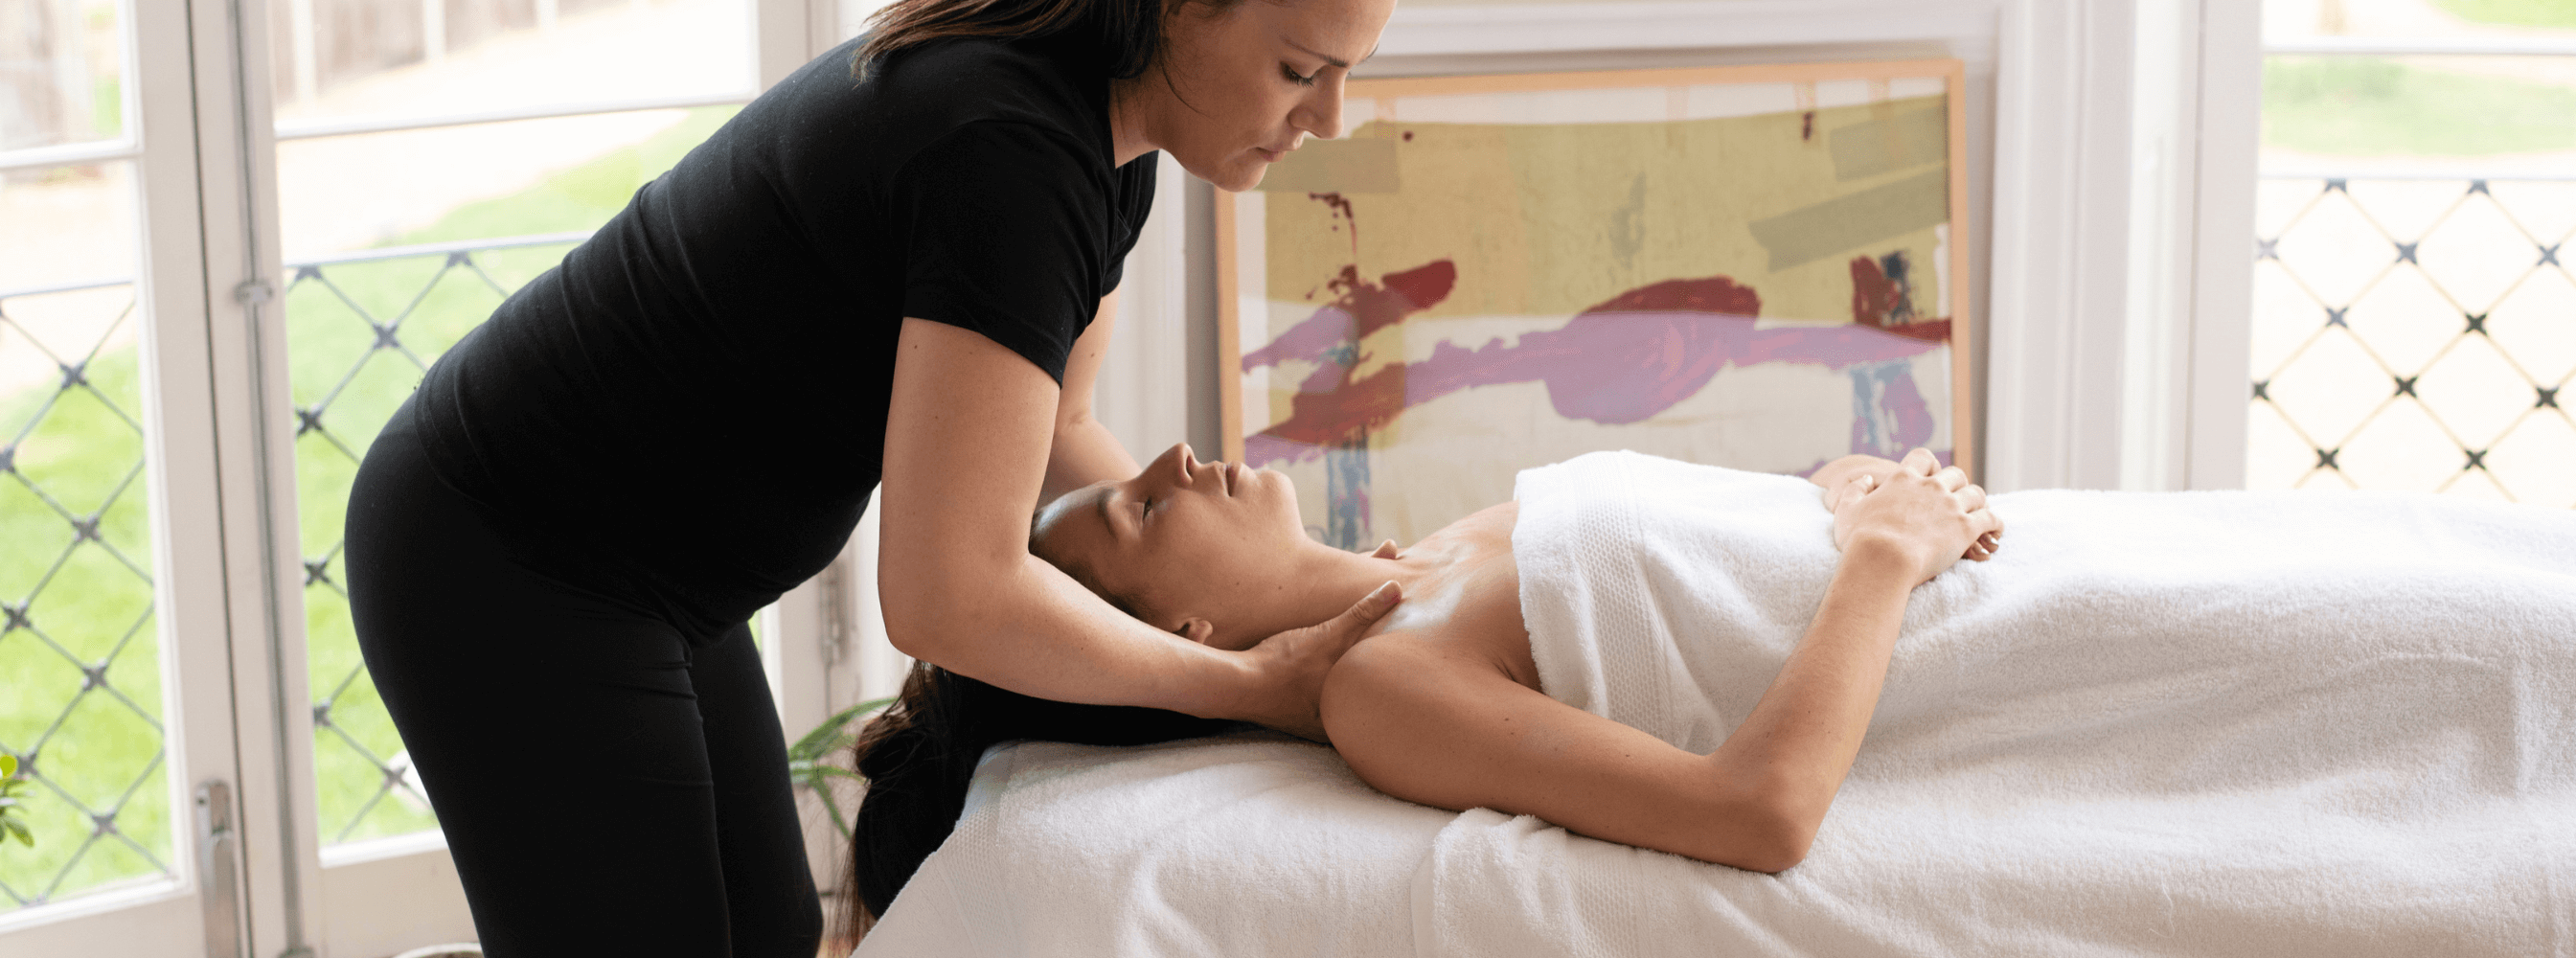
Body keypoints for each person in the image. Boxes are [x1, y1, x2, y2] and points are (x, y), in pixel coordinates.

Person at [341, 0, 1399, 951]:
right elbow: (950, 597)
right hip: (513, 555)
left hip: (650, 578)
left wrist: (1274, 589)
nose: (1333, 117)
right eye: (1303, 70)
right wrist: (1252, 686)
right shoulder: (1011, 154)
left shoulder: (1103, 141)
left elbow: (1057, 427)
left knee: (769, 932)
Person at [846, 443, 1995, 916]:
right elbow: (1757, 813)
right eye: (1144, 510)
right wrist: (1889, 554)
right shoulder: (1382, 690)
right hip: (1972, 637)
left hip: (1994, 557)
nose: (1176, 458)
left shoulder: (1449, 544)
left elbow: (1745, 532)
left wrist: (1858, 481)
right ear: (1182, 630)